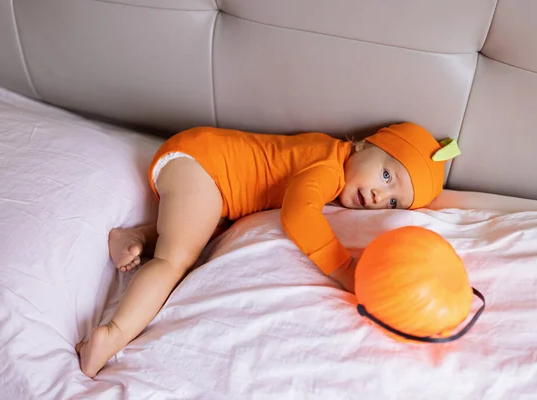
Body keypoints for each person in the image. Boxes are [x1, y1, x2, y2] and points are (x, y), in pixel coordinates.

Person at [76, 122, 460, 377]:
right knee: (175, 260)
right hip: (202, 165)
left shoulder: (338, 165)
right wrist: (342, 267)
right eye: (387, 175)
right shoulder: (328, 165)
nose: (379, 195)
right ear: (361, 145)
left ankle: (136, 237)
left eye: (393, 202)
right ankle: (111, 334)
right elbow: (298, 213)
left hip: (217, 186)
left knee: (207, 231)